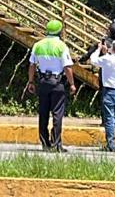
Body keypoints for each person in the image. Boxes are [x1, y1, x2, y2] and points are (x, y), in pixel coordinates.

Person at [28, 20, 76, 152]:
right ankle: (56, 144)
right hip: (57, 83)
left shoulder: (38, 45)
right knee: (57, 113)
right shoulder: (61, 46)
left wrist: (31, 82)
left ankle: (45, 143)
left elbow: (32, 65)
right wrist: (72, 84)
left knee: (43, 113)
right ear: (60, 32)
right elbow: (67, 67)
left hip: (42, 82)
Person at [90, 38, 115, 152]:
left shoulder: (107, 59)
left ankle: (111, 144)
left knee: (110, 119)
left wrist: (98, 49)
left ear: (112, 48)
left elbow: (93, 60)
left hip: (109, 91)